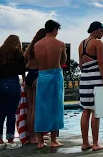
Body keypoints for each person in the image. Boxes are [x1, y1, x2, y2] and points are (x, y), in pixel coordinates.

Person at [0, 35, 26, 150]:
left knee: (1, 112)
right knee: (11, 112)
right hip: (12, 82)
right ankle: (10, 140)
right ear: (17, 43)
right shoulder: (18, 53)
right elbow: (23, 69)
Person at [34, 20, 66, 149]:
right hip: (55, 75)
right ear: (54, 30)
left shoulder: (37, 45)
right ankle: (53, 140)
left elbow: (36, 62)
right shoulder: (60, 44)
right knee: (56, 107)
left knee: (41, 107)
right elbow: (63, 60)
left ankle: (40, 141)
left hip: (42, 75)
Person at [78, 21, 103, 151]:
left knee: (85, 110)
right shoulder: (97, 43)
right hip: (95, 79)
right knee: (96, 112)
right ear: (95, 31)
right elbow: (101, 63)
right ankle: (95, 143)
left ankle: (85, 143)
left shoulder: (81, 44)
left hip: (84, 79)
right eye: (101, 31)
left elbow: (80, 65)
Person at [24, 28, 46, 144]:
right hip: (38, 76)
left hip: (29, 76)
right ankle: (36, 137)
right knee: (37, 109)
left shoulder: (29, 48)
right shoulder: (41, 46)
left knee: (31, 108)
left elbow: (24, 64)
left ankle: (32, 136)